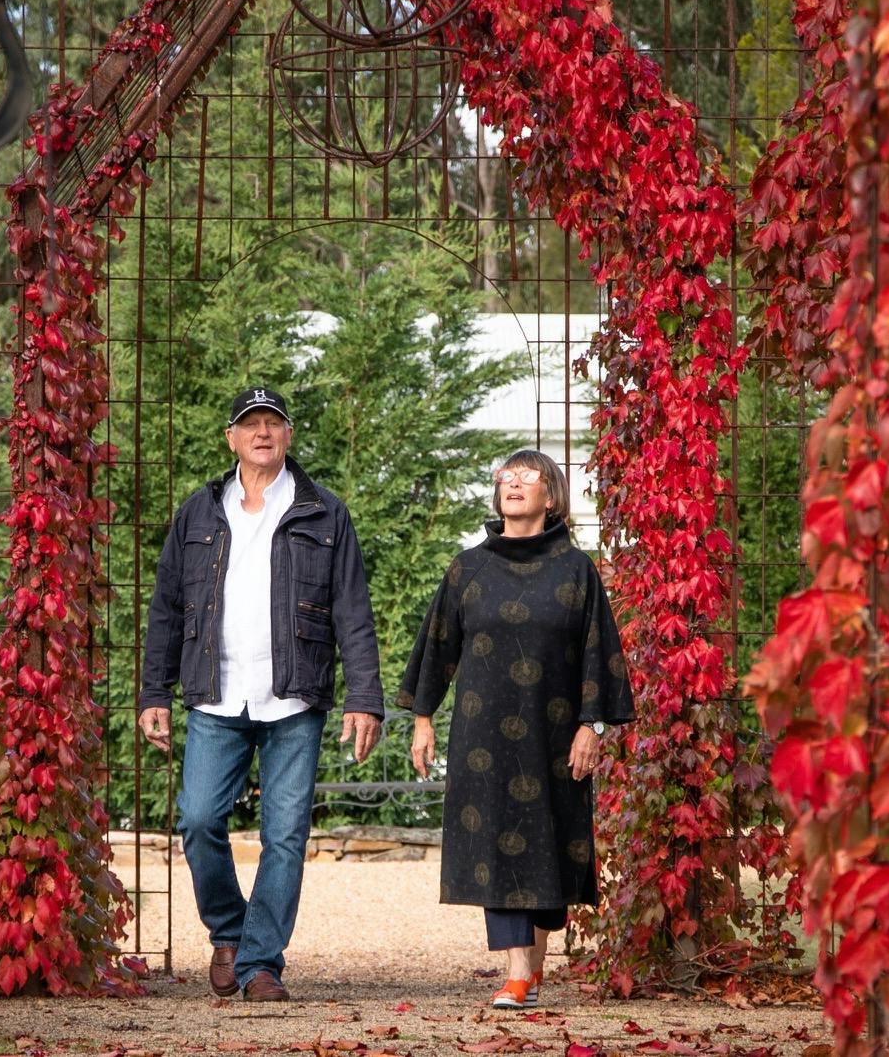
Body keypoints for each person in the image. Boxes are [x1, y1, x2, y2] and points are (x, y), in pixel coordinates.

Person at [137, 386, 384, 1002]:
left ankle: (260, 964)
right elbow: (167, 607)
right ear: (232, 438)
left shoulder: (325, 512)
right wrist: (153, 692)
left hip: (293, 698)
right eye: (251, 424)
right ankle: (230, 931)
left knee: (286, 835)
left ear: (289, 435)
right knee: (198, 819)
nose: (263, 433)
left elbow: (353, 611)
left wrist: (364, 698)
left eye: (273, 422)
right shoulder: (198, 513)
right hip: (215, 694)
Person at [398, 449, 633, 1009]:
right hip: (482, 739)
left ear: (551, 497)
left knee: (551, 845)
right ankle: (517, 972)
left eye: (530, 476)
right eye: (508, 475)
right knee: (494, 843)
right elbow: (437, 647)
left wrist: (592, 726)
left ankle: (534, 960)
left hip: (555, 737)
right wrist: (423, 720)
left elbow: (599, 654)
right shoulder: (468, 569)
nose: (515, 483)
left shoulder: (576, 570)